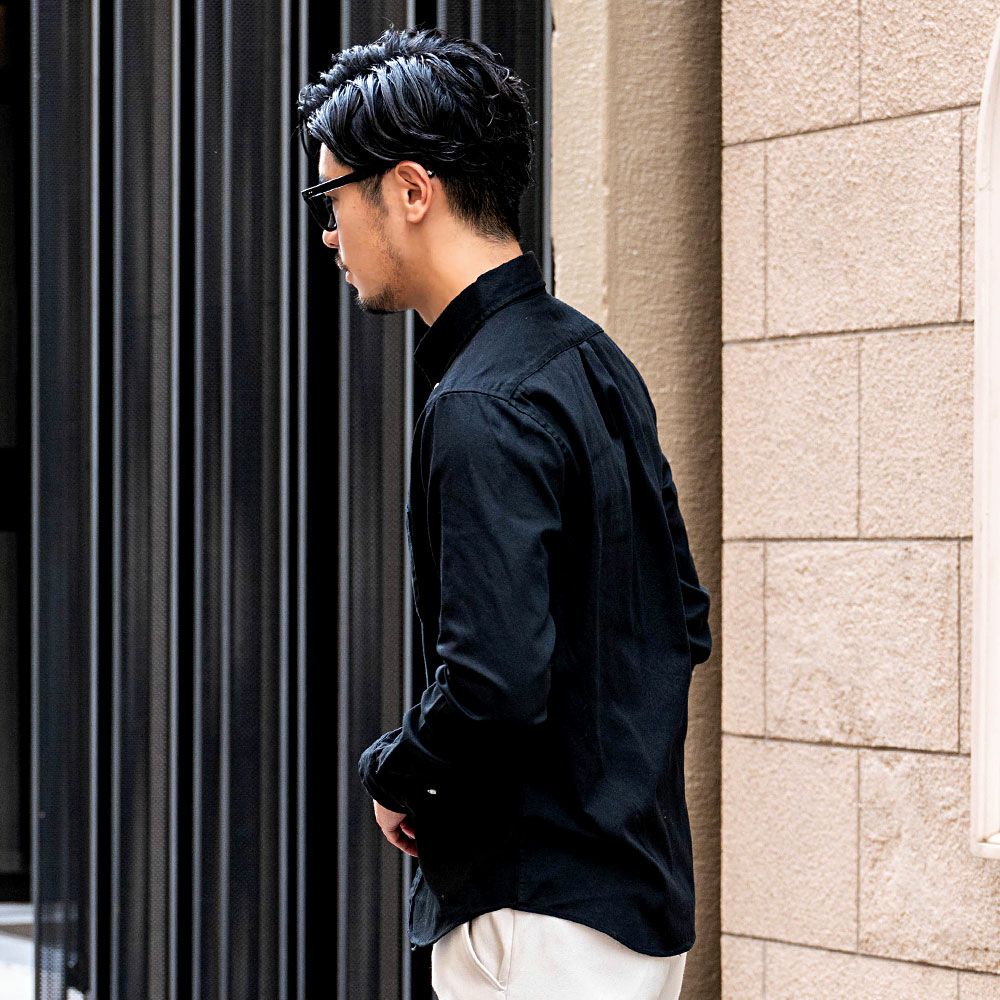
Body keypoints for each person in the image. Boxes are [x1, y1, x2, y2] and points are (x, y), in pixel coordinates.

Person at [296, 26, 711, 1000]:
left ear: (409, 190)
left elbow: (495, 679)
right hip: (627, 905)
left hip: (537, 920)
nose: (328, 235)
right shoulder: (589, 359)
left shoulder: (482, 401)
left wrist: (398, 770)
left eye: (331, 198)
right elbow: (681, 616)